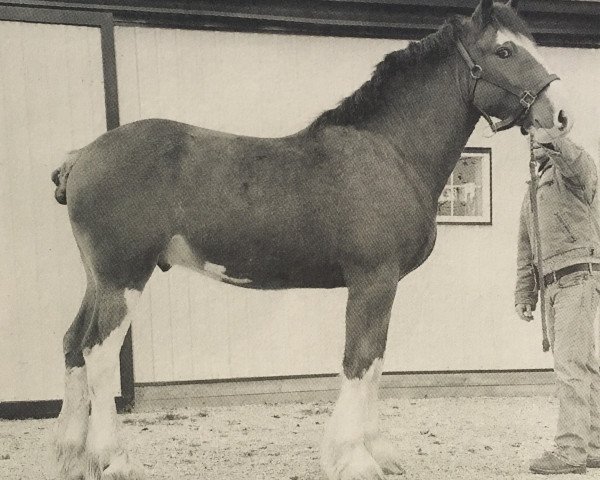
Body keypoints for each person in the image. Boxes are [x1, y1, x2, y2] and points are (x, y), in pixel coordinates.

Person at [515, 134, 600, 474]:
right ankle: (593, 446)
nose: (535, 141)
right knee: (583, 365)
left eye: (541, 136)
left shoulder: (569, 173)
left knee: (569, 367)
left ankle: (569, 451)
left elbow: (580, 166)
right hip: (552, 284)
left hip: (577, 276)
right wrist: (525, 293)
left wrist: (556, 138)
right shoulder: (532, 190)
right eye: (533, 137)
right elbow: (525, 247)